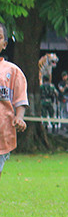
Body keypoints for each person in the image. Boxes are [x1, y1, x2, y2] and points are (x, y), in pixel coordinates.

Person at [0, 22, 28, 179]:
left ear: (4, 44)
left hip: (2, 134)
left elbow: (20, 99)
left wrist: (19, 117)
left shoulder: (13, 72)